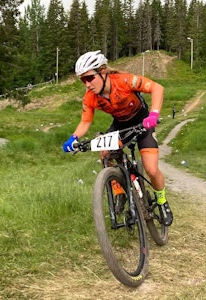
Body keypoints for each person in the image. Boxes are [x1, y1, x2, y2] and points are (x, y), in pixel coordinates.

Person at [62, 50, 173, 226]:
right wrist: (73, 138)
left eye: (89, 78)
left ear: (103, 71)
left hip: (143, 122)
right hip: (120, 125)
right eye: (83, 80)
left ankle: (162, 201)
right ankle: (119, 192)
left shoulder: (124, 81)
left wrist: (154, 114)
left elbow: (157, 88)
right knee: (105, 153)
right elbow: (85, 122)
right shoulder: (90, 97)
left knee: (151, 170)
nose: (87, 84)